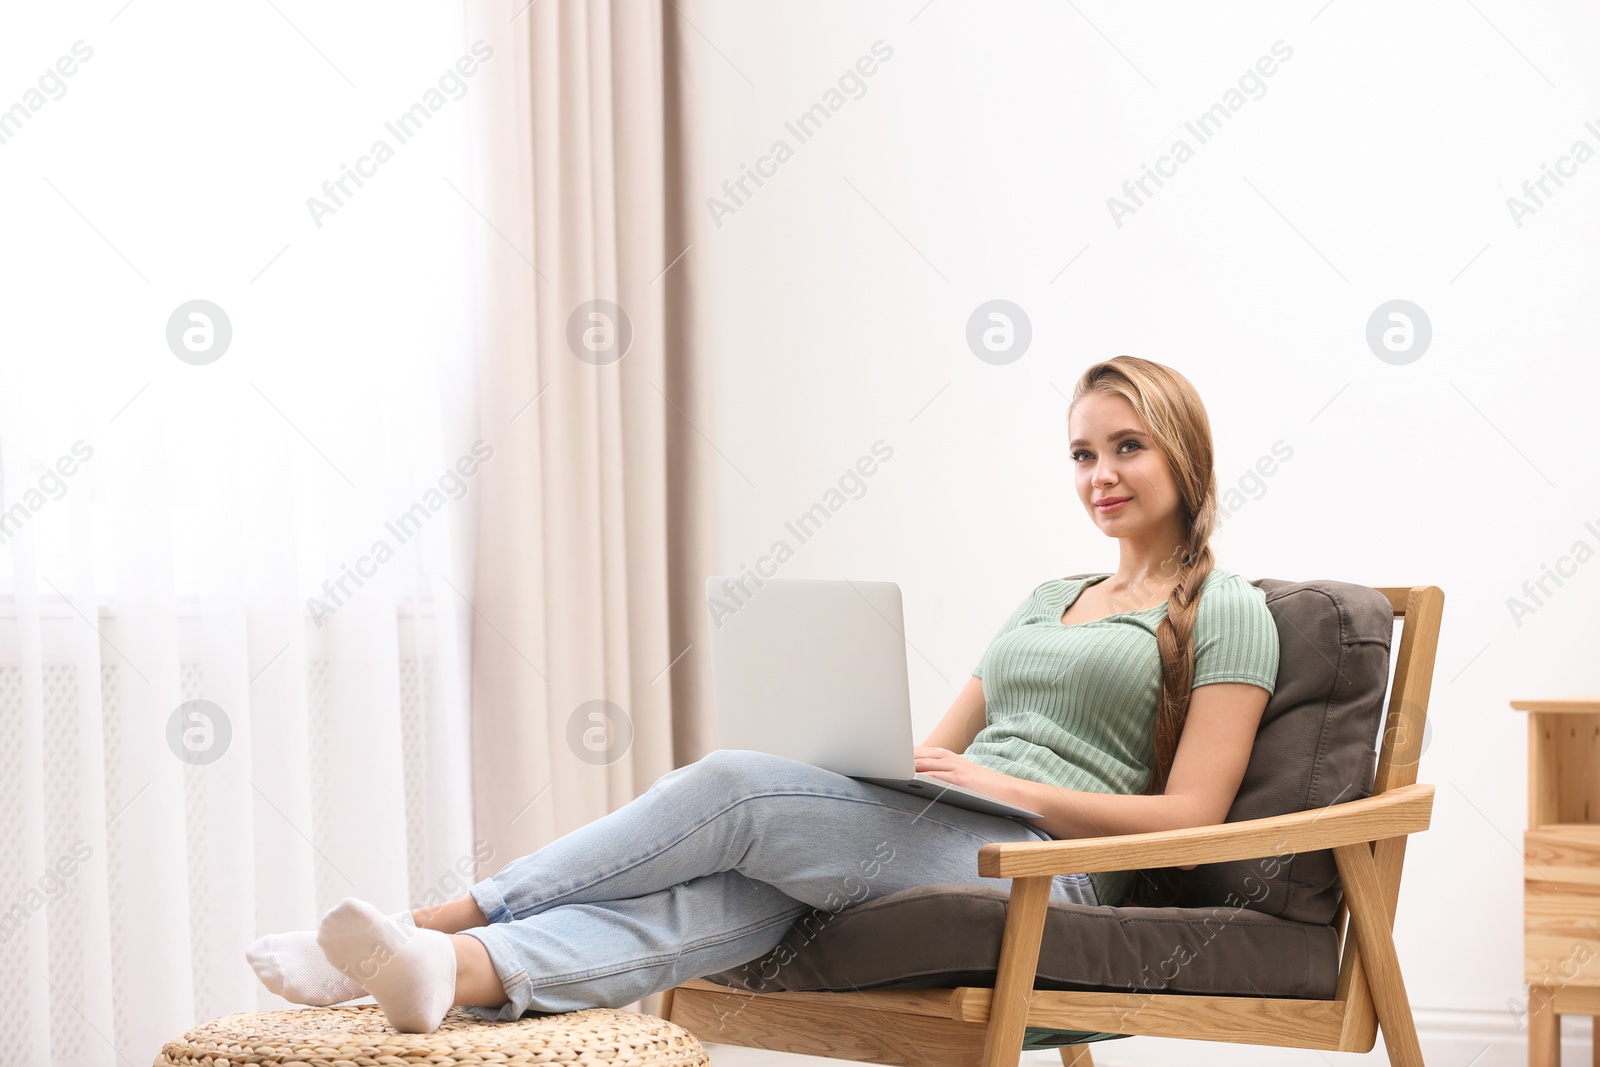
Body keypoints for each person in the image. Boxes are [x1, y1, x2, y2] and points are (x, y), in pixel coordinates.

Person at [244, 355, 1280, 1033]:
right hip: (954, 831)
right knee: (735, 893)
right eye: (1082, 453)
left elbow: (1189, 821)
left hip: (1055, 870)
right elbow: (928, 753)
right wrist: (879, 766)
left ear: (1181, 449)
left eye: (1125, 446)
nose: (1100, 473)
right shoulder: (1048, 597)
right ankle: (454, 968)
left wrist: (1002, 786)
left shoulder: (1224, 606)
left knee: (736, 786)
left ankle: (432, 914)